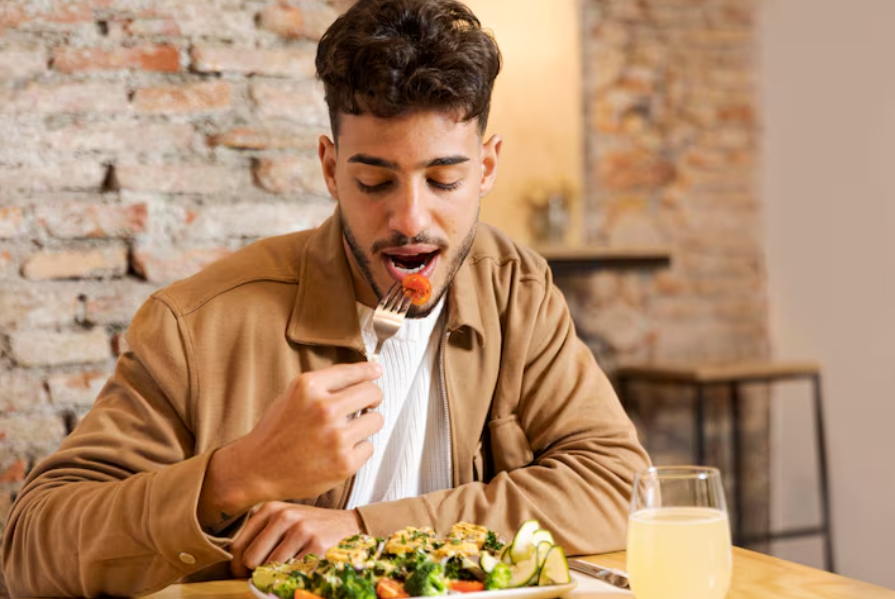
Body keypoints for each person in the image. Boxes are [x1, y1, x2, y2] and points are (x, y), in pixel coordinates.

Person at [1, 0, 650, 596]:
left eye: (444, 179)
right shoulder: (196, 325)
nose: (409, 218)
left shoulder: (515, 289)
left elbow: (617, 483)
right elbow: (29, 546)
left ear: (485, 167)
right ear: (329, 167)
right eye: (374, 180)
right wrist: (236, 475)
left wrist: (367, 527)